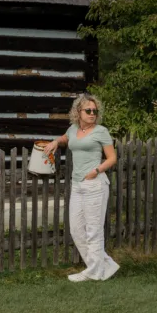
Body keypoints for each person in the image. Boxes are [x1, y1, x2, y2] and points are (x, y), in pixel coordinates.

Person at [44, 93, 119, 282]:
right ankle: (105, 265)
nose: (92, 113)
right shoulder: (73, 129)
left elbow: (112, 158)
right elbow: (65, 138)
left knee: (93, 230)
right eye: (88, 110)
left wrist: (96, 170)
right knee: (76, 229)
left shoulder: (100, 131)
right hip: (77, 185)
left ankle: (94, 272)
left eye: (95, 111)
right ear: (78, 112)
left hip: (95, 183)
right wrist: (55, 142)